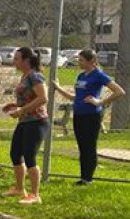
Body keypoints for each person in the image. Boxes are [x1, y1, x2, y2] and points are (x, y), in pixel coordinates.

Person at [51, 49, 126, 185]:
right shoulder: (81, 76)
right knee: (82, 146)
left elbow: (119, 91)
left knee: (89, 146)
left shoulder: (99, 75)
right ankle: (83, 177)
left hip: (91, 115)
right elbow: (76, 97)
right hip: (78, 115)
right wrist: (58, 88)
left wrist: (101, 102)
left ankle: (88, 179)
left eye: (81, 60)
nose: (78, 62)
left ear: (91, 61)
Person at [1, 46, 49, 204]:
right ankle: (19, 188)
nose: (14, 61)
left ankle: (35, 195)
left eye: (16, 59)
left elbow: (43, 98)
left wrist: (21, 110)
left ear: (26, 61)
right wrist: (15, 105)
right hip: (25, 121)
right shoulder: (25, 76)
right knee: (15, 153)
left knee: (30, 156)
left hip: (37, 122)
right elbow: (29, 98)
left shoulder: (35, 76)